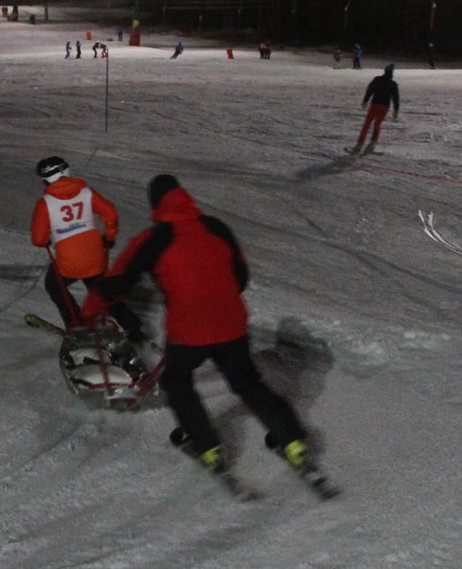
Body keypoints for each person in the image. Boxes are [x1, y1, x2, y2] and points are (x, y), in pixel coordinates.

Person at [81, 174, 314, 476]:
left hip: (189, 331)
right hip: (232, 325)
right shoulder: (216, 227)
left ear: (155, 204)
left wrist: (89, 313)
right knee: (247, 382)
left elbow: (117, 281)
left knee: (177, 382)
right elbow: (240, 276)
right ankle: (293, 441)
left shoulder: (153, 239)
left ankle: (207, 445)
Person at [30, 156, 146, 348]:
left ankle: (77, 326)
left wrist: (48, 239)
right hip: (95, 255)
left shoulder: (46, 203)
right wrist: (109, 236)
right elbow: (110, 212)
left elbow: (38, 239)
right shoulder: (86, 193)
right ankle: (132, 326)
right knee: (102, 289)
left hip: (69, 262)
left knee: (54, 284)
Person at [349, 63, 399, 154]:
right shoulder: (393, 84)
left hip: (375, 104)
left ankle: (360, 143)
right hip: (384, 107)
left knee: (367, 124)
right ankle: (373, 142)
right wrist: (396, 110)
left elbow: (370, 90)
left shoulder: (377, 80)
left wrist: (365, 100)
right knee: (377, 124)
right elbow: (396, 97)